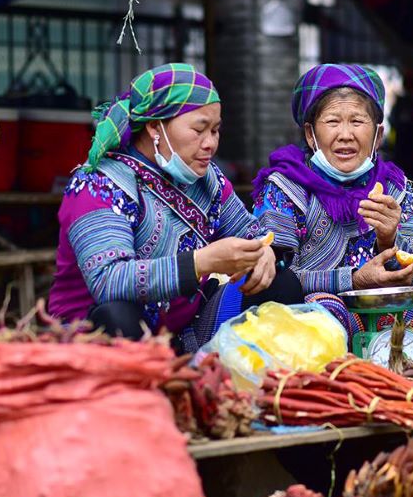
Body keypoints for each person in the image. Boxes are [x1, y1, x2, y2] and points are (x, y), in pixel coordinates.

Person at [49, 63, 303, 353]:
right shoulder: (98, 185)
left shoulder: (207, 180)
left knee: (281, 285)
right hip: (100, 332)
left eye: (216, 130)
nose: (210, 143)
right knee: (117, 315)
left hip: (185, 329)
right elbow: (109, 281)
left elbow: (252, 233)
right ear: (155, 126)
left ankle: (247, 383)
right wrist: (200, 262)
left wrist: (265, 252)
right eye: (199, 130)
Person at [251, 63, 413, 361]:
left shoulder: (395, 188)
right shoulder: (284, 187)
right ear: (311, 134)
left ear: (377, 136)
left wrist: (389, 240)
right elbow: (274, 281)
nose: (345, 134)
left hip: (385, 314)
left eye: (357, 121)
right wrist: (351, 280)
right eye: (332, 121)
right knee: (327, 311)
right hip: (318, 316)